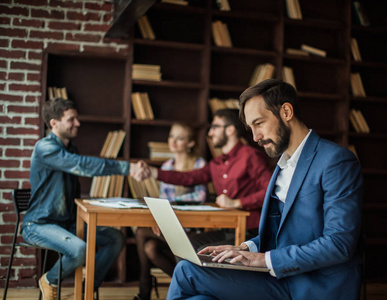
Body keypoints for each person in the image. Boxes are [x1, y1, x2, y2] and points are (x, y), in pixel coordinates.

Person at [167, 79, 364, 300]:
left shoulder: (335, 161)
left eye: (259, 123)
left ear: (286, 111)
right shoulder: (281, 166)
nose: (255, 137)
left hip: (313, 286)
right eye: (251, 128)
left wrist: (264, 260)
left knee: (187, 271)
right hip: (279, 279)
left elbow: (339, 244)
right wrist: (245, 248)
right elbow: (281, 235)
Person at [22, 98, 149, 300]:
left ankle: (87, 287)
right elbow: (84, 165)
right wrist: (128, 168)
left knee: (115, 238)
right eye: (71, 119)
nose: (78, 123)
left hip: (67, 223)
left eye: (77, 118)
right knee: (79, 249)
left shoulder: (70, 149)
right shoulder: (44, 148)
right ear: (54, 123)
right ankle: (50, 280)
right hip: (39, 224)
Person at [148, 108, 272, 249]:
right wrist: (153, 172)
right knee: (186, 246)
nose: (210, 133)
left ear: (230, 130)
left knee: (199, 250)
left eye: (215, 127)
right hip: (226, 228)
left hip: (251, 232)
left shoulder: (250, 156)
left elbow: (269, 191)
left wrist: (237, 202)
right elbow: (188, 178)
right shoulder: (216, 163)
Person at [134, 122, 207, 300]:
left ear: (190, 143)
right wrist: (159, 220)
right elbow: (162, 201)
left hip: (191, 230)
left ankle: (144, 288)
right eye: (171, 136)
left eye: (180, 138)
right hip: (170, 226)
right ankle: (191, 284)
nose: (173, 141)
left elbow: (200, 197)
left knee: (142, 235)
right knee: (150, 248)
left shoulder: (199, 164)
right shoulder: (166, 167)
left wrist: (172, 204)